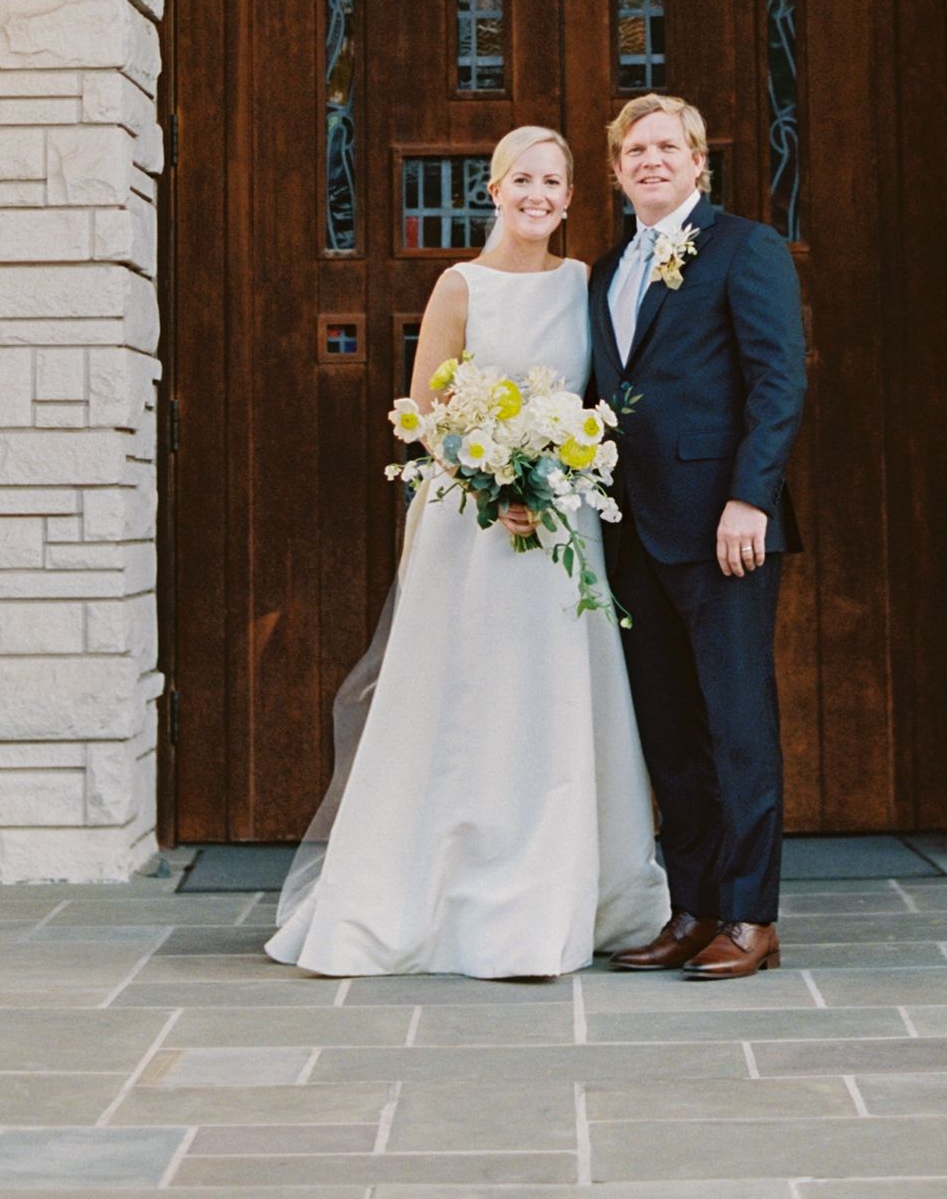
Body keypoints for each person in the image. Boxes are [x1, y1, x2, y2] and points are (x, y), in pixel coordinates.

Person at [265, 124, 668, 979]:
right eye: (522, 179)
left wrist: (547, 470)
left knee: (553, 697)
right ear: (494, 189)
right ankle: (429, 893)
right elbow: (423, 411)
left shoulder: (583, 283)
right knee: (463, 695)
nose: (537, 195)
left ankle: (556, 895)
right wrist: (497, 482)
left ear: (568, 198)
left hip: (560, 519)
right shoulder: (460, 287)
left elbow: (596, 399)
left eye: (553, 183)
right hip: (473, 527)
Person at [589, 92, 808, 982]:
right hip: (633, 530)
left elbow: (777, 381)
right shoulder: (606, 266)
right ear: (614, 170)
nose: (649, 160)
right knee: (670, 734)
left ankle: (752, 916)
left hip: (725, 529)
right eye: (633, 150)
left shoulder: (743, 247)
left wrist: (750, 499)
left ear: (697, 161)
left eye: (666, 147)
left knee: (736, 725)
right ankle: (694, 908)